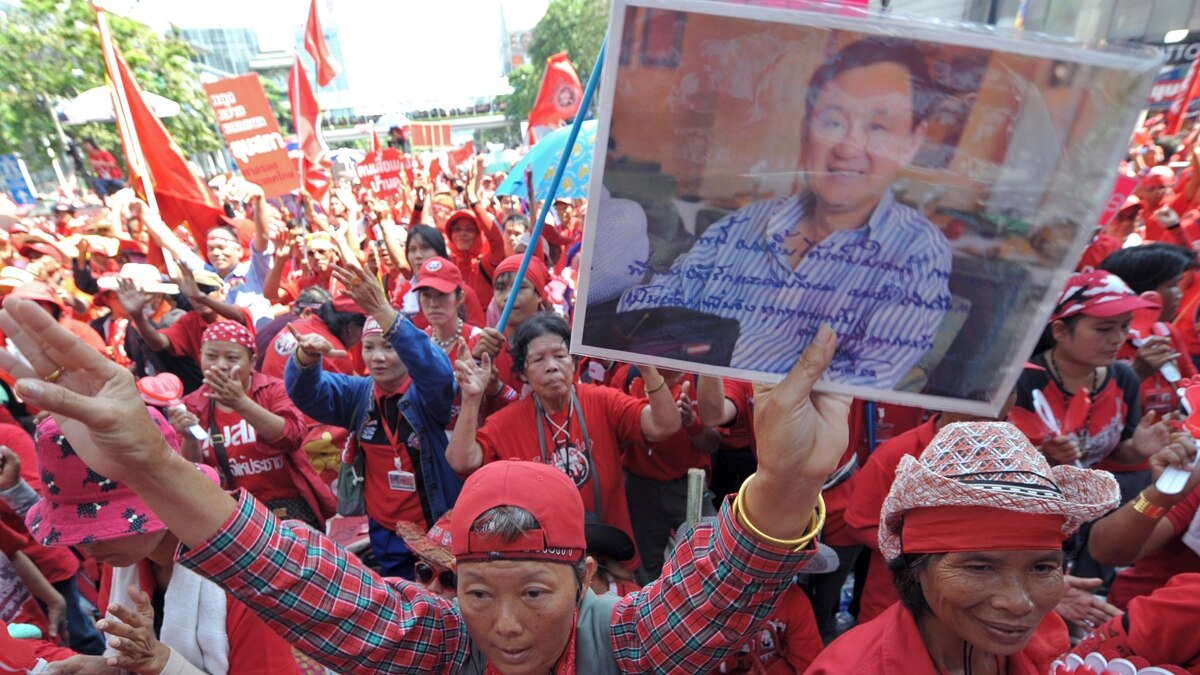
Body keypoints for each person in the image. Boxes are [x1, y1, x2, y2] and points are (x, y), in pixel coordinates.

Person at [0, 291, 848, 674]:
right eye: (477, 591)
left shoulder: (623, 648)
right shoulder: (439, 646)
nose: (505, 627)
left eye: (534, 592)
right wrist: (151, 462)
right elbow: (290, 575)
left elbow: (718, 593)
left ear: (587, 579)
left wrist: (785, 481)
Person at [616, 36, 952, 387]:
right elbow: (655, 301)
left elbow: (862, 379)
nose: (849, 147)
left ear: (913, 141)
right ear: (807, 127)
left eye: (878, 127)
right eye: (833, 122)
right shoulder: (748, 223)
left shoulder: (919, 254)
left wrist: (727, 399)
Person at [808, 421, 1121, 673]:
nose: (1019, 603)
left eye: (1041, 567)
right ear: (916, 567)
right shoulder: (853, 667)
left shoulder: (1044, 639)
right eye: (980, 567)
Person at [14, 414, 305, 674]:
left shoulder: (246, 575)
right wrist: (111, 668)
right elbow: (138, 660)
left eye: (97, 529)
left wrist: (165, 665)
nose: (86, 546)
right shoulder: (122, 565)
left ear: (160, 497)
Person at [447, 312, 684, 570]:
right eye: (538, 359)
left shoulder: (603, 401)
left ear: (574, 362)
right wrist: (471, 398)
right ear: (523, 373)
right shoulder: (509, 421)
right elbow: (461, 460)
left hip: (611, 559)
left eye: (560, 356)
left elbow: (665, 425)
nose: (552, 366)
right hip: (545, 562)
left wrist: (646, 367)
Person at [285, 264, 462, 579]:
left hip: (435, 531)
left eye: (389, 346)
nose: (378, 356)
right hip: (385, 533)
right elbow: (307, 395)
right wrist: (307, 360)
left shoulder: (427, 395)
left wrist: (381, 309)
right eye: (370, 347)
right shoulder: (358, 393)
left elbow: (439, 373)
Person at [168, 321, 327, 530]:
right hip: (231, 514)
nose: (221, 365)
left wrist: (240, 403)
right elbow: (193, 474)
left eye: (232, 358)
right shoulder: (191, 404)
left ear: (252, 361)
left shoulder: (273, 390)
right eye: (211, 356)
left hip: (287, 508)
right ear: (200, 357)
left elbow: (293, 436)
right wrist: (189, 438)